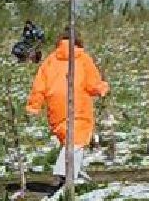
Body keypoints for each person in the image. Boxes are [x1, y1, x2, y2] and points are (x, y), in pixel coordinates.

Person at [26, 28, 110, 186]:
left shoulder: (50, 60)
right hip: (79, 105)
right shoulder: (83, 58)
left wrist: (34, 106)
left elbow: (39, 86)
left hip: (56, 108)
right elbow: (92, 84)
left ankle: (74, 171)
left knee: (69, 139)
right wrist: (102, 88)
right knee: (77, 139)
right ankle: (64, 174)